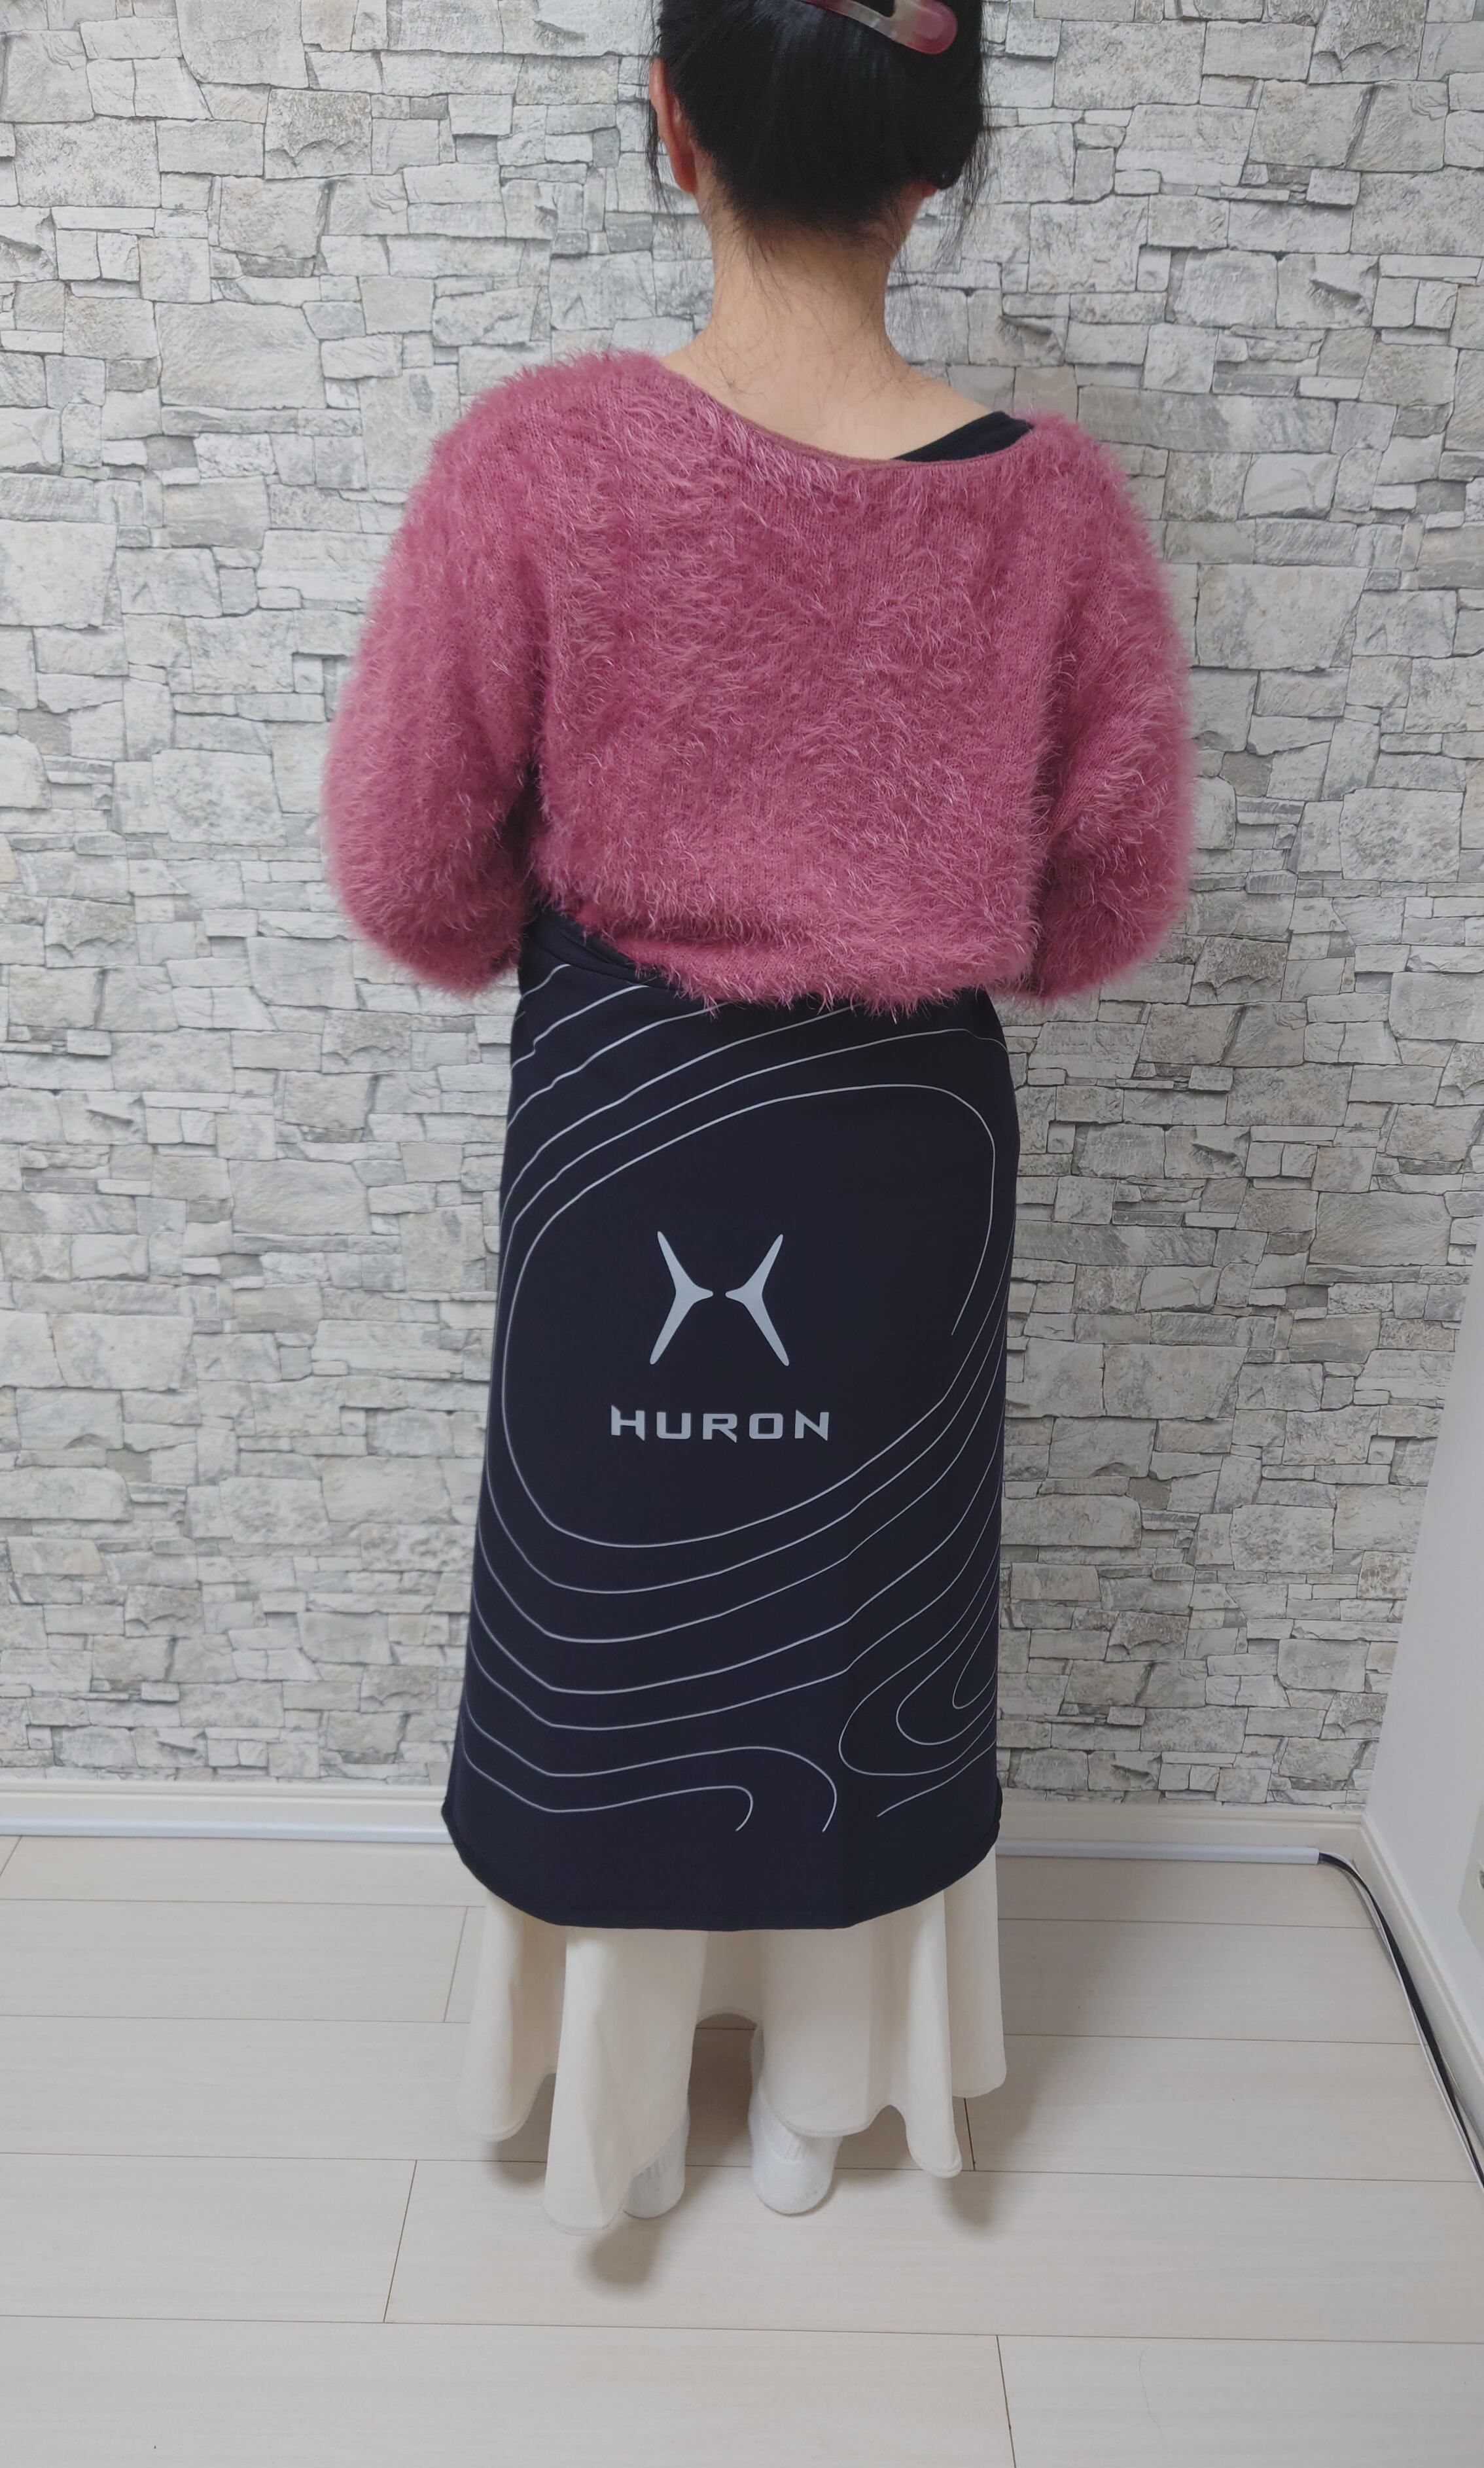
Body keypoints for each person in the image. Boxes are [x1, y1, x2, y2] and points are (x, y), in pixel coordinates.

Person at [320, 0, 1194, 2234]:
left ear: (670, 125)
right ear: (940, 159)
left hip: (627, 1115)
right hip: (906, 1146)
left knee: (616, 1592)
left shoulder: (533, 464)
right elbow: (1099, 907)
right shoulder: (1056, 512)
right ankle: (829, 2096)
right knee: (854, 1611)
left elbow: (410, 872)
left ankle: (602, 2113)